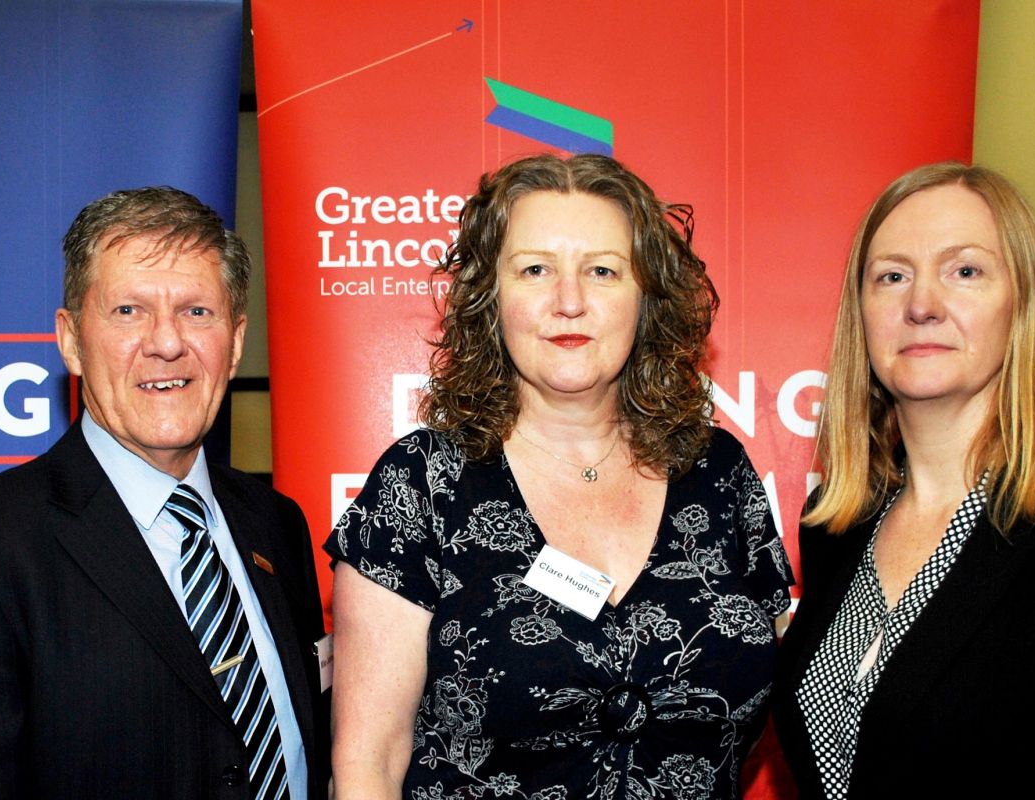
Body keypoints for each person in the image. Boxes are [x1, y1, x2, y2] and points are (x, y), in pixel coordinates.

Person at [326, 154, 791, 799]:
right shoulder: (421, 486)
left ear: (647, 298)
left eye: (602, 271)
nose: (568, 302)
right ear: (490, 299)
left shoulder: (719, 473)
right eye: (535, 269)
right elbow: (367, 767)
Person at [0, 187, 328, 799]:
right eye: (128, 311)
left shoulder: (275, 523)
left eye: (198, 311)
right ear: (70, 340)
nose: (167, 342)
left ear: (237, 339)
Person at [770, 162, 1035, 798]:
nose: (921, 305)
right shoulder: (835, 526)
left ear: (1023, 303)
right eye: (891, 276)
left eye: (964, 271)